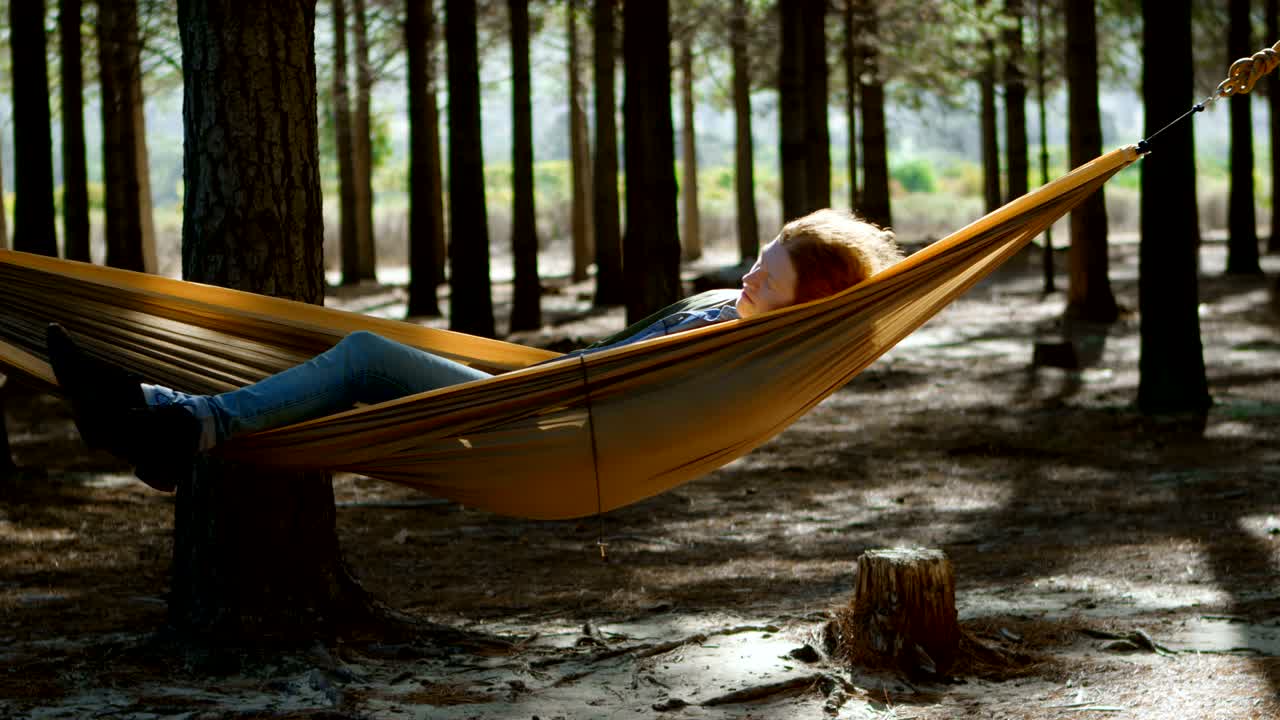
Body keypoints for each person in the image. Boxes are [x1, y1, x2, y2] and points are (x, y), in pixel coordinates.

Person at [48, 208, 902, 492]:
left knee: (361, 354)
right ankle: (166, 415)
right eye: (758, 257)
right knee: (364, 356)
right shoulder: (726, 311)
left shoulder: (746, 362)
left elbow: (642, 405)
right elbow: (619, 356)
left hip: (552, 432)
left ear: (810, 305)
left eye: (771, 275)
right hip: (541, 387)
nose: (750, 274)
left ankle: (186, 426)